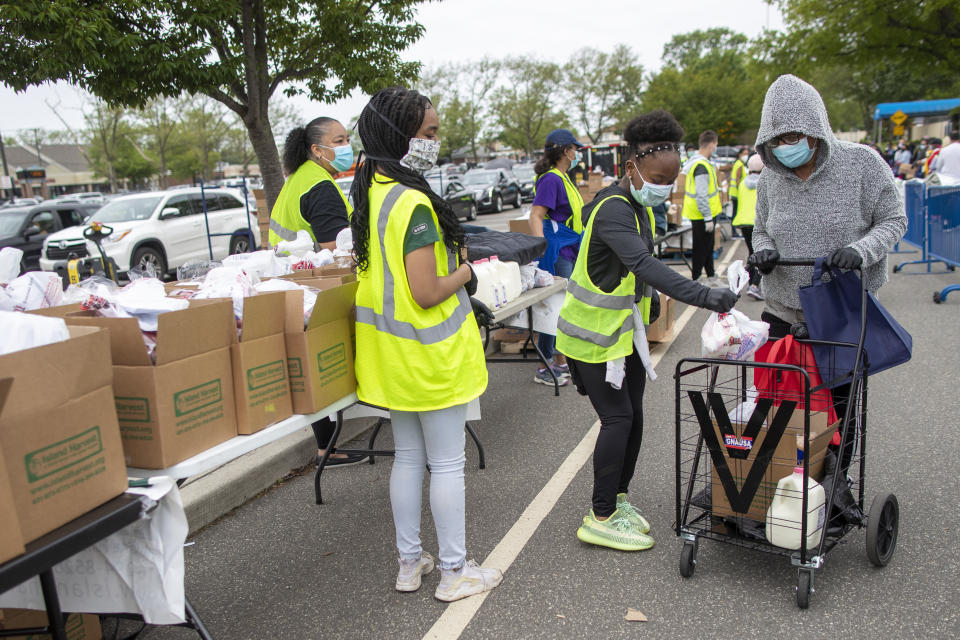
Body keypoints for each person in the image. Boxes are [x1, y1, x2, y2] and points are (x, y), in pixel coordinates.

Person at [556, 110, 738, 552]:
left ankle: (618, 501)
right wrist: (705, 295)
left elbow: (635, 269)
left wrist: (649, 297)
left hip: (622, 333)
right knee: (616, 418)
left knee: (633, 415)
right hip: (591, 337)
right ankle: (599, 515)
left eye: (670, 179)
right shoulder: (614, 210)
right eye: (657, 177)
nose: (664, 186)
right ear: (631, 166)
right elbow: (644, 263)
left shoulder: (639, 207)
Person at [351, 86, 502, 601]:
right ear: (401, 136)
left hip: (392, 358)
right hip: (430, 357)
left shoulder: (371, 191)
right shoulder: (413, 202)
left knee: (408, 460)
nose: (436, 142)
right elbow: (426, 290)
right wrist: (467, 270)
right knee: (447, 464)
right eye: (430, 133)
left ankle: (410, 564)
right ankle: (455, 573)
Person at [746, 74, 905, 474]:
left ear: (816, 130)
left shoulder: (862, 164)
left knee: (837, 408)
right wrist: (762, 250)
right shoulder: (770, 178)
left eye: (795, 135)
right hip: (783, 310)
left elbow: (894, 219)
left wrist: (859, 250)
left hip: (841, 310)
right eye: (777, 139)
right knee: (781, 402)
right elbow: (761, 227)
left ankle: (832, 484)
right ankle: (775, 480)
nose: (786, 146)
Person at [271, 117, 363, 467]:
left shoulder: (299, 179)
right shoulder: (320, 186)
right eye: (338, 140)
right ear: (316, 149)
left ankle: (327, 445)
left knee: (307, 360)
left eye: (346, 139)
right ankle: (329, 446)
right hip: (314, 284)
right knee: (324, 358)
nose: (345, 147)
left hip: (290, 281)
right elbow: (335, 248)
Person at [528, 129, 586, 386]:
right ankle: (547, 365)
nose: (577, 154)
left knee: (561, 307)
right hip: (557, 251)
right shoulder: (552, 180)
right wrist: (541, 249)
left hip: (567, 247)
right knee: (558, 308)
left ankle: (558, 362)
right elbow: (536, 215)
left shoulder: (562, 177)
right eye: (575, 149)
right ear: (565, 150)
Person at [682, 130, 723, 285]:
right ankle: (696, 278)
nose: (716, 147)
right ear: (711, 145)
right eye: (716, 144)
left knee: (708, 246)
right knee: (701, 247)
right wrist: (707, 217)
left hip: (703, 213)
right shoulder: (701, 166)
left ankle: (710, 274)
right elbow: (701, 194)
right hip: (702, 214)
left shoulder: (700, 163)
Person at [732, 153, 765, 300]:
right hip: (757, 223)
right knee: (760, 254)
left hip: (744, 222)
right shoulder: (764, 183)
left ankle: (743, 282)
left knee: (752, 253)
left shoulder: (742, 184)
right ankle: (754, 285)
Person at [728, 146, 749, 219]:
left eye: (747, 154)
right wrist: (741, 192)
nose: (746, 156)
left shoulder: (737, 163)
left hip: (733, 192)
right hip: (737, 193)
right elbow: (738, 179)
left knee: (734, 211)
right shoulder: (740, 165)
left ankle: (733, 229)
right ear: (740, 154)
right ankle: (734, 230)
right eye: (744, 154)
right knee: (736, 212)